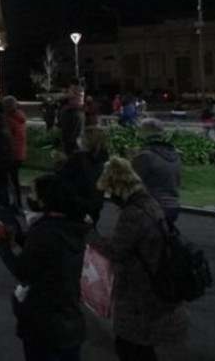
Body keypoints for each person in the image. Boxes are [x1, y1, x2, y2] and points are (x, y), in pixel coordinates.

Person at [88, 157, 187, 360]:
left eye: (110, 190)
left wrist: (90, 233)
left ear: (118, 186)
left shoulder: (133, 213)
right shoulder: (149, 204)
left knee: (130, 347)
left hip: (137, 290)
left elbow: (116, 251)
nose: (109, 195)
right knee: (141, 347)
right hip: (151, 284)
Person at [0, 174, 87, 361]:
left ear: (45, 199)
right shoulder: (72, 226)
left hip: (44, 323)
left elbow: (23, 271)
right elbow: (49, 254)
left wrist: (1, 245)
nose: (30, 197)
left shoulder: (44, 232)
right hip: (69, 317)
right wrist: (18, 238)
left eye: (34, 192)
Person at [131, 119, 182, 224]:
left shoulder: (145, 156)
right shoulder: (174, 155)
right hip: (173, 205)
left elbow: (133, 182)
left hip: (151, 206)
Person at [58, 126, 109, 225]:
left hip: (77, 202)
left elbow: (62, 176)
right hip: (95, 202)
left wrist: (59, 163)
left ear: (88, 141)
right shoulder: (102, 158)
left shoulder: (78, 158)